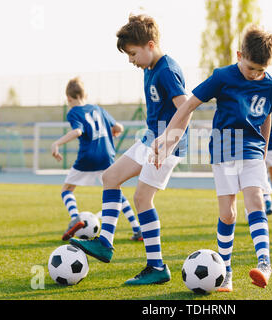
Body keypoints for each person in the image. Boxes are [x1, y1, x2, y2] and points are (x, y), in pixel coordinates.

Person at [151, 25, 272, 291]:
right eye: (251, 68)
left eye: (261, 69)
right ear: (239, 55)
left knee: (255, 199)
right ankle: (227, 271)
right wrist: (166, 137)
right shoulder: (223, 76)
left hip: (253, 149)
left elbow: (268, 116)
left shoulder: (270, 85)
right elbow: (188, 104)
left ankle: (264, 263)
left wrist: (264, 149)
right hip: (223, 150)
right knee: (228, 213)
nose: (255, 74)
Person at [70, 14, 188, 285]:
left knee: (142, 198)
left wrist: (169, 142)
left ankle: (157, 267)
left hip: (167, 144)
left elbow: (186, 108)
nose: (131, 60)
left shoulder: (167, 70)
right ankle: (105, 243)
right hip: (150, 138)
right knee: (109, 178)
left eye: (133, 54)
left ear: (150, 45)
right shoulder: (149, 68)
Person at [52, 77, 142, 242]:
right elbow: (119, 127)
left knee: (67, 190)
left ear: (69, 98)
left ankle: (75, 218)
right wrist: (115, 131)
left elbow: (78, 131)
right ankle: (137, 228)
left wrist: (57, 143)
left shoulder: (73, 112)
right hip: (107, 155)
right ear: (85, 94)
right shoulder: (98, 109)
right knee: (116, 191)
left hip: (88, 156)